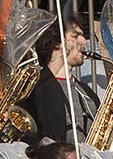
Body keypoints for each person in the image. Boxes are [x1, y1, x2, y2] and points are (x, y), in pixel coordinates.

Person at [19, 15, 98, 144]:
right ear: (56, 43)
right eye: (75, 36)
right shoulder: (32, 90)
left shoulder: (88, 93)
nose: (84, 41)